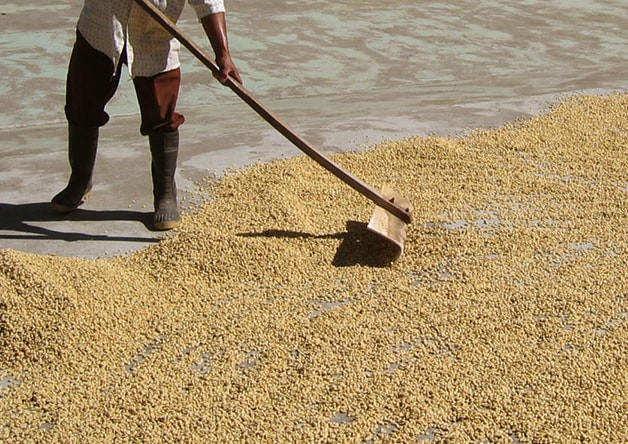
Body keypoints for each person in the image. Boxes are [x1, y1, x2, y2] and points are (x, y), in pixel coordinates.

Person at [51, 0, 242, 230]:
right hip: (101, 28)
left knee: (161, 113)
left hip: (154, 37)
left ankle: (165, 195)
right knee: (82, 102)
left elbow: (209, 3)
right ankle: (79, 182)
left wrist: (223, 54)